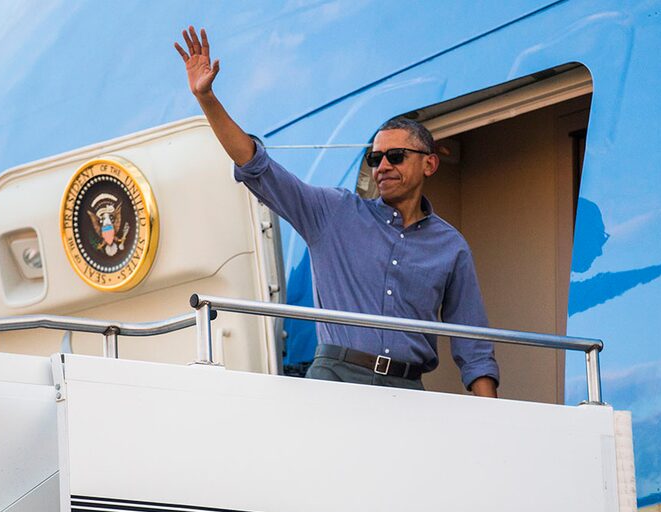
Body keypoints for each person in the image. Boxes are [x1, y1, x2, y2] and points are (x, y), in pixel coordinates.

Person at [175, 26, 498, 397]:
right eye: (375, 158)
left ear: (429, 165)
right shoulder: (334, 212)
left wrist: (494, 418)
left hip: (409, 392)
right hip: (336, 381)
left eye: (396, 156)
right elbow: (257, 167)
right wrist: (207, 99)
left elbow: (474, 345)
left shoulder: (450, 246)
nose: (383, 167)